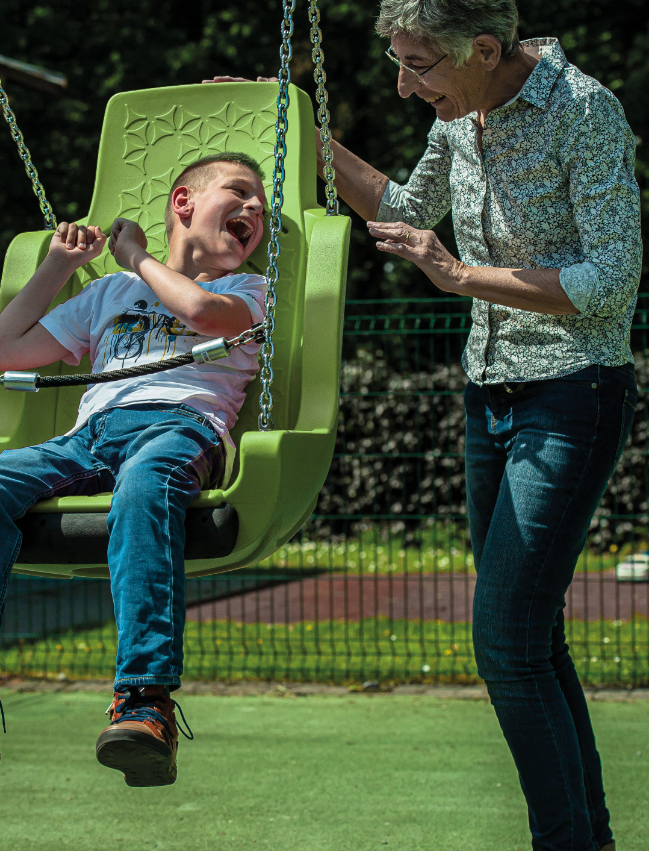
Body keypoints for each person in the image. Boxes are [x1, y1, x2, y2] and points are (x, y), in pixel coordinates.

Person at [209, 1, 639, 847]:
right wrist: (299, 133)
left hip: (573, 391)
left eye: (420, 65)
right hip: (490, 393)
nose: (405, 87)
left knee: (506, 641)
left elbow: (612, 279)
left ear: (482, 49)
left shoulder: (583, 110)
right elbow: (405, 203)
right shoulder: (460, 114)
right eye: (398, 63)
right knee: (532, 637)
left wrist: (461, 274)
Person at [0, 151, 268, 788]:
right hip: (90, 438)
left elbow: (202, 315)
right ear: (184, 202)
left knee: (145, 485)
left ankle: (145, 702)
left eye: (261, 207)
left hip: (180, 428)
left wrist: (136, 257)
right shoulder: (108, 293)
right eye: (240, 191)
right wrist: (58, 266)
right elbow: (1, 351)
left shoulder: (247, 290)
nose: (254, 209)